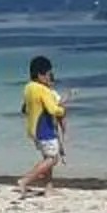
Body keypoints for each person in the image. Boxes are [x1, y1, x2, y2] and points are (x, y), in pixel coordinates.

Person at [16, 54, 69, 195]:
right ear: (41, 75)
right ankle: (25, 180)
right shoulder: (43, 90)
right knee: (53, 158)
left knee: (47, 157)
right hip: (44, 129)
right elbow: (52, 109)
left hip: (33, 130)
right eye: (48, 74)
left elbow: (24, 108)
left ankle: (48, 188)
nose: (50, 78)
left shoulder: (28, 88)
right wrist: (62, 110)